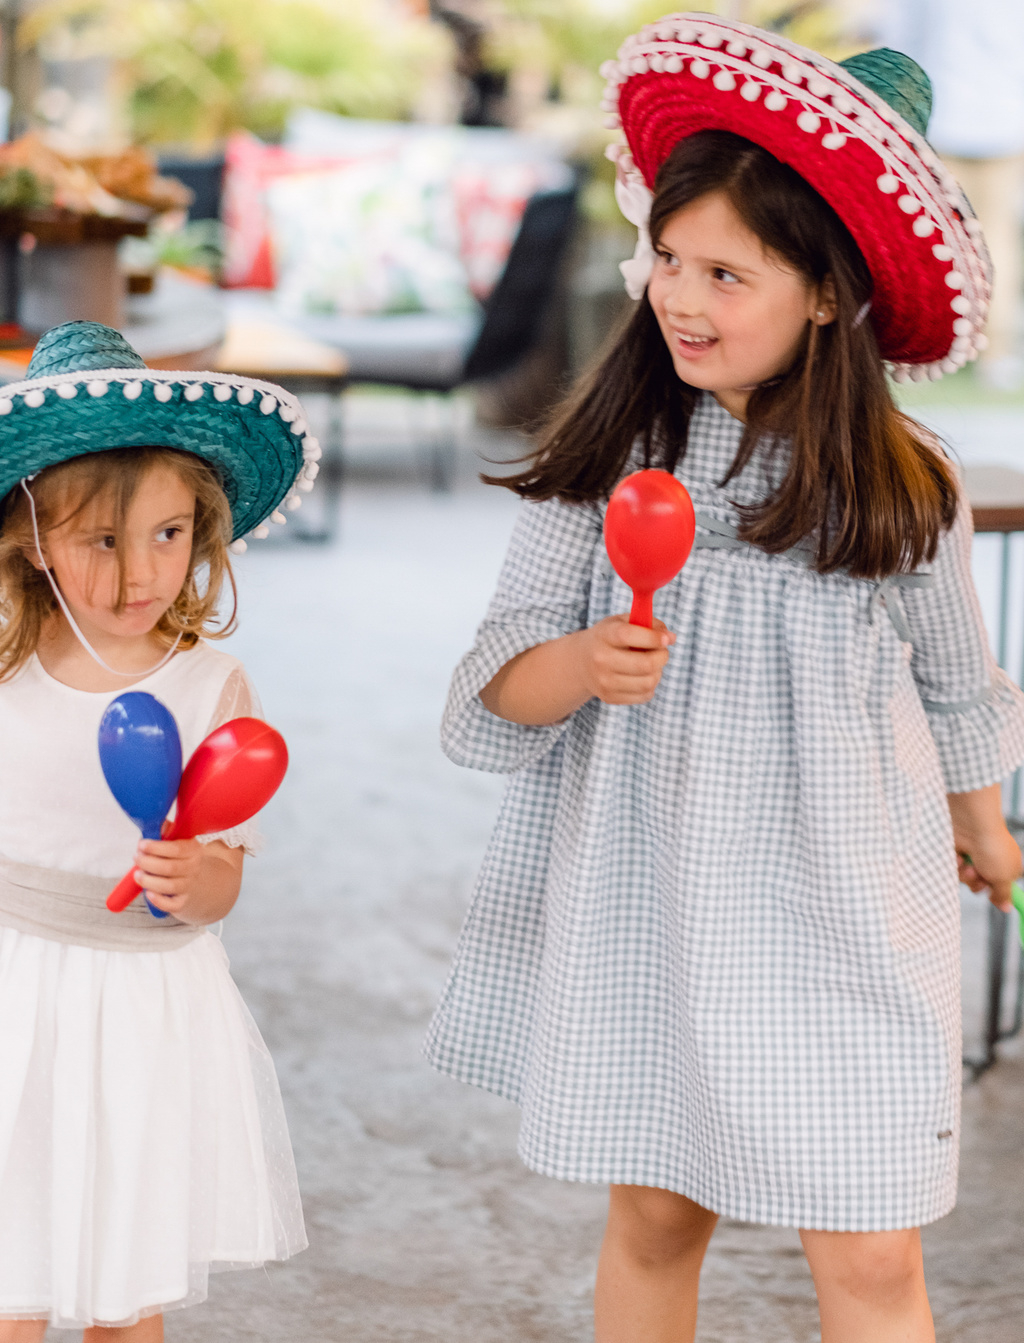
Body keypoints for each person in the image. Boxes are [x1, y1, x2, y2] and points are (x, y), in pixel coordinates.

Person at [426, 15, 1024, 1343]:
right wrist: (582, 663)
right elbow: (485, 698)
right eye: (670, 259)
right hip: (660, 899)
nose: (682, 298)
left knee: (871, 1247)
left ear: (826, 293)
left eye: (727, 273)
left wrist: (984, 824)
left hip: (854, 905)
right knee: (655, 1215)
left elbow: (956, 678)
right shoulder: (610, 453)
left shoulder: (905, 482)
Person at [0, 321, 319, 1339]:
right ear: (29, 535)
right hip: (17, 982)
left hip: (145, 997)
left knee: (126, 1277)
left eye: (170, 534)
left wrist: (197, 878)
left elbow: (227, 865)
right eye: (103, 538)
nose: (143, 572)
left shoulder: (203, 682)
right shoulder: (6, 663)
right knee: (15, 1269)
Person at [875, 0, 1024, 390]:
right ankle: (995, 353)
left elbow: (901, 46)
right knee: (997, 236)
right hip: (1004, 119)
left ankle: (936, 344)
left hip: (943, 116)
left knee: (933, 235)